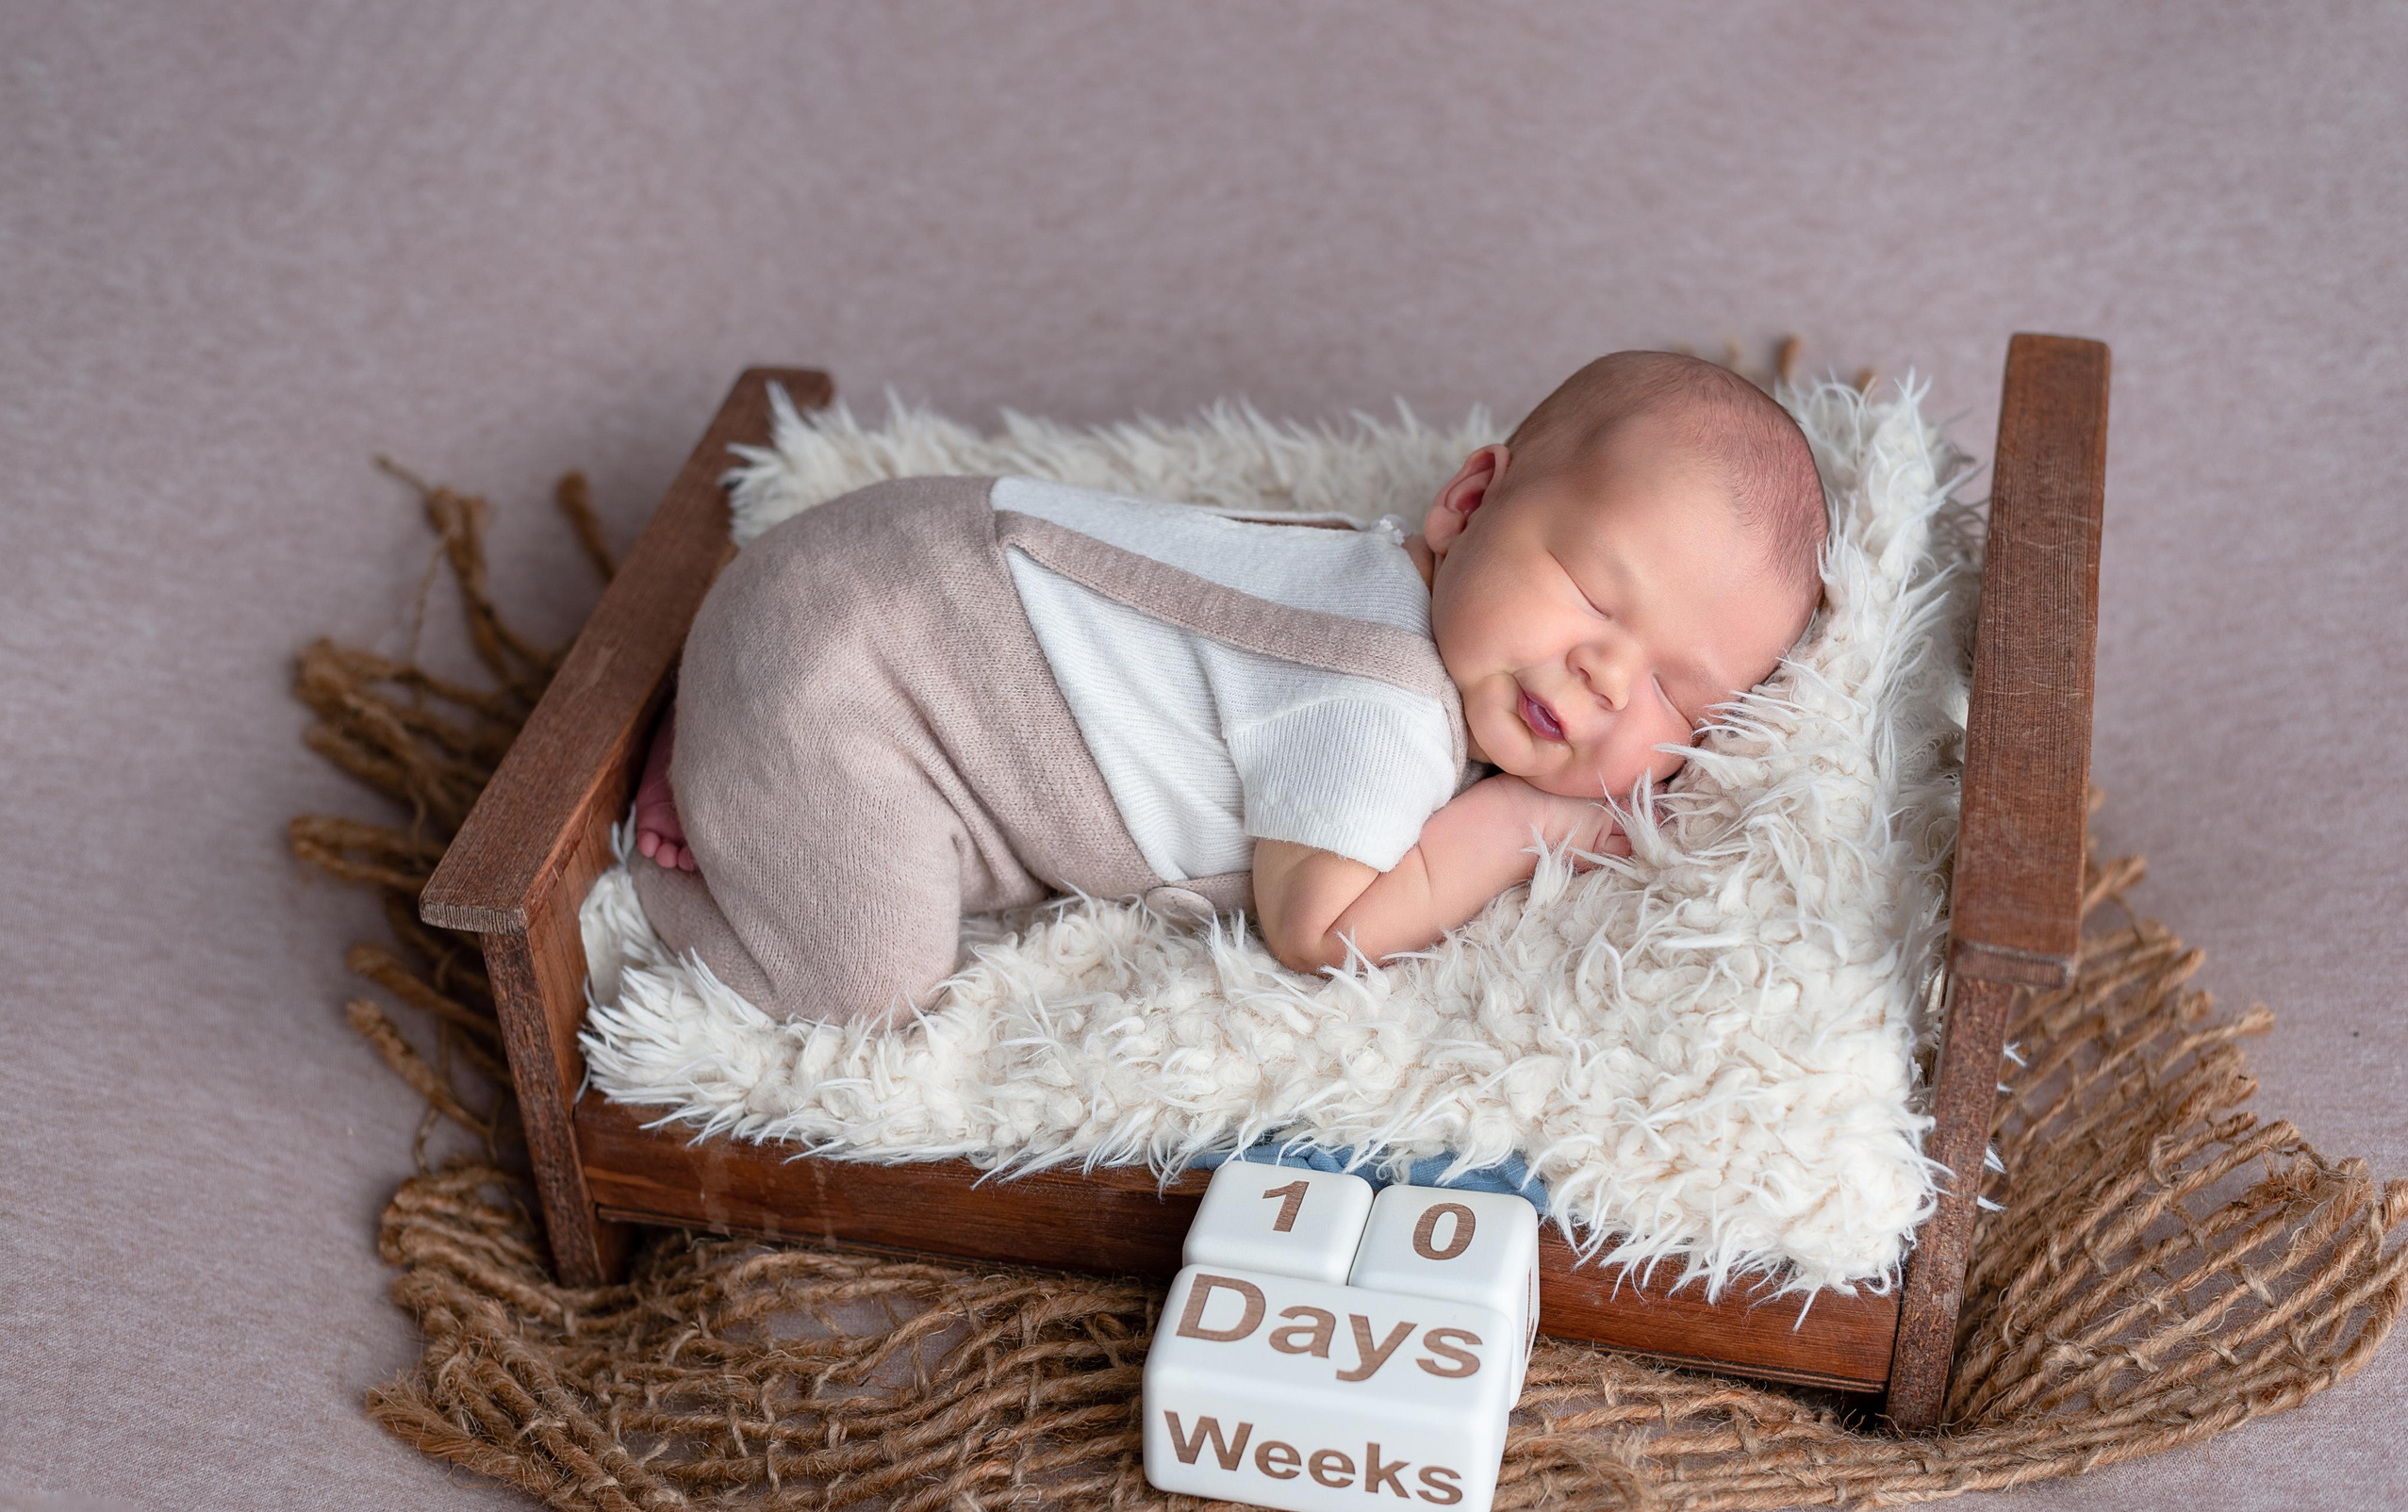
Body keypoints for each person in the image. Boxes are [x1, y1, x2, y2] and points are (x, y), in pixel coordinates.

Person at [627, 352, 1826, 1023]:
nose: (1609, 677)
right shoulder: (1381, 703)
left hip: (861, 570)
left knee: (929, 806)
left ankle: (721, 717)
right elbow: (1321, 930)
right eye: (1591, 592)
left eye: (1679, 696)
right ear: (1467, 506)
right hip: (854, 669)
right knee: (863, 990)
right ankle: (669, 868)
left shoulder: (1372, 571)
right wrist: (1527, 822)